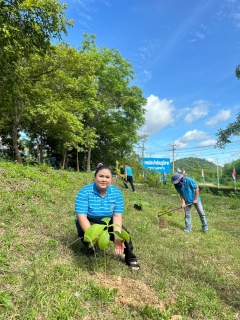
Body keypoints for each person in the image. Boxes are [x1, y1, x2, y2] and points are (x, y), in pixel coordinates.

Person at [75, 165, 140, 271]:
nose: (104, 179)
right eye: (101, 176)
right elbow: (81, 216)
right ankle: (91, 247)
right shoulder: (84, 192)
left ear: (111, 179)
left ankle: (131, 258)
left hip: (108, 221)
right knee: (85, 233)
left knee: (124, 233)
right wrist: (94, 238)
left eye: (107, 177)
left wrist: (117, 237)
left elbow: (117, 216)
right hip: (90, 220)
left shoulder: (116, 193)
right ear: (95, 177)